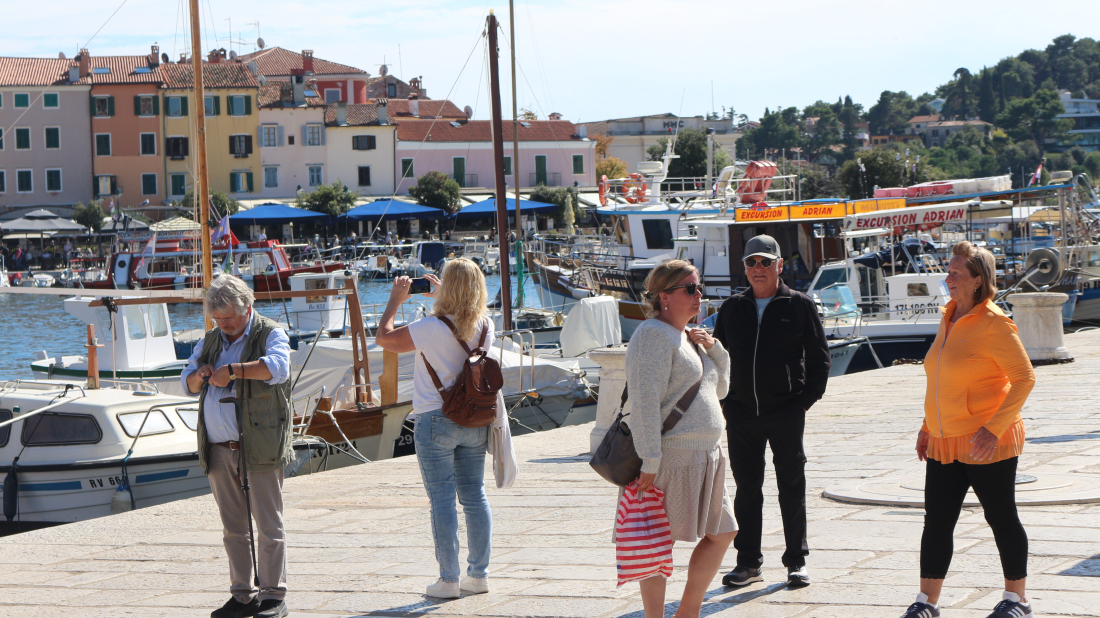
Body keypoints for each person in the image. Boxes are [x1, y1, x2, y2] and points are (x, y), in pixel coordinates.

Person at [900, 241, 1036, 618]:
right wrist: (927, 426)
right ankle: (926, 602)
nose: (948, 278)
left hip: (986, 441)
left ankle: (1017, 600)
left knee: (1001, 516)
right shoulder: (949, 317)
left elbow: (1024, 378)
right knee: (937, 521)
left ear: (978, 280)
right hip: (944, 440)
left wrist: (994, 428)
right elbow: (940, 379)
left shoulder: (995, 323)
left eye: (957, 273)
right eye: (949, 271)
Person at [713, 234, 830, 589]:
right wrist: (725, 403)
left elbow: (820, 360)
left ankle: (796, 561)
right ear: (744, 268)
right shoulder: (732, 308)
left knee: (791, 486)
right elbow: (718, 360)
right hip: (741, 414)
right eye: (752, 262)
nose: (758, 268)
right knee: (747, 489)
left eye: (766, 261)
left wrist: (801, 403)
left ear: (779, 265)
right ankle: (748, 563)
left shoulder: (799, 305)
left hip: (785, 412)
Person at [375, 260, 495, 599]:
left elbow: (384, 338)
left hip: (435, 419)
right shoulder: (487, 325)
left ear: (448, 285)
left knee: (442, 498)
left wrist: (395, 301)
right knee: (475, 496)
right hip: (475, 418)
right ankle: (479, 575)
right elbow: (461, 322)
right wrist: (446, 296)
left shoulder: (430, 327)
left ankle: (448, 580)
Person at [626, 259, 737, 618]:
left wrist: (714, 350)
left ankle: (687, 612)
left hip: (707, 455)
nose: (698, 295)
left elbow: (719, 389)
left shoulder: (688, 337)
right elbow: (643, 401)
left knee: (723, 532)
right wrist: (650, 459)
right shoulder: (651, 336)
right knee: (658, 544)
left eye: (698, 287)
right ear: (664, 296)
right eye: (689, 288)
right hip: (673, 457)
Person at [182, 276, 293, 618]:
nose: (224, 325)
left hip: (258, 444)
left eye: (228, 319)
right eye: (218, 320)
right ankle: (242, 594)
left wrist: (232, 371)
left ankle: (274, 596)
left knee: (268, 523)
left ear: (247, 307)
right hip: (218, 448)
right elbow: (186, 384)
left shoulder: (270, 332)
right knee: (233, 527)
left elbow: (278, 368)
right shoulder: (211, 339)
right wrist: (200, 375)